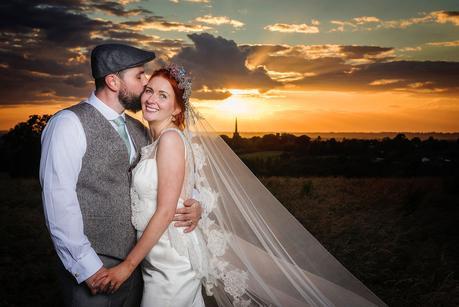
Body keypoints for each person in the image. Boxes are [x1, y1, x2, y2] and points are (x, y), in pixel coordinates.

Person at [95, 63, 388, 307]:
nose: (151, 99)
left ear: (176, 109)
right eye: (149, 90)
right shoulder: (157, 141)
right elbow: (185, 187)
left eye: (162, 95)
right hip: (159, 256)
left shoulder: (171, 140)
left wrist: (126, 267)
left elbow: (165, 210)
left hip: (170, 259)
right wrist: (194, 202)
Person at [39, 44, 202, 307]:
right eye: (139, 76)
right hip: (96, 267)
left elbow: (170, 176)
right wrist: (88, 267)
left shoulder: (140, 129)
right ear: (114, 81)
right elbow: (59, 201)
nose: (145, 82)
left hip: (141, 264)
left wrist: (194, 203)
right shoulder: (68, 124)